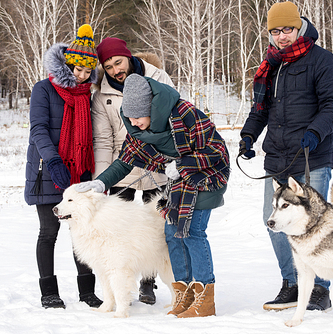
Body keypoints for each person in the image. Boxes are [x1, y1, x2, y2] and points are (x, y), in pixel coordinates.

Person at [76, 73, 230, 318]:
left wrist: (183, 164)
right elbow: (124, 162)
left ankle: (205, 298)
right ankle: (184, 294)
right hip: (179, 182)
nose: (134, 122)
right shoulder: (137, 131)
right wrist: (100, 183)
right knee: (172, 234)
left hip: (207, 175)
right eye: (130, 117)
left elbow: (216, 149)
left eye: (138, 116)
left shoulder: (184, 113)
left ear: (151, 108)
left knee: (192, 232)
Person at [238, 1, 333, 312]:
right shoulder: (271, 64)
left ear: (298, 27)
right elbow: (260, 110)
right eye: (275, 31)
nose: (282, 36)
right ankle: (292, 282)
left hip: (312, 155)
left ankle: (319, 289)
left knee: (313, 223)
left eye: (287, 29)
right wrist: (248, 136)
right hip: (278, 159)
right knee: (272, 219)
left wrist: (316, 132)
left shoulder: (321, 59)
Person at [24, 24, 102, 309]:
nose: (82, 75)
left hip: (79, 171)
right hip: (47, 170)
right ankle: (49, 292)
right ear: (67, 63)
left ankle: (87, 292)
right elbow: (39, 129)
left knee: (81, 231)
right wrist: (53, 159)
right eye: (77, 69)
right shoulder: (43, 89)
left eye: (87, 71)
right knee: (49, 232)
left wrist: (88, 172)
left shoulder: (87, 95)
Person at [91, 37, 174, 304]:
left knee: (153, 228)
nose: (116, 69)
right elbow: (103, 140)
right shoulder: (101, 94)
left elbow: (172, 120)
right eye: (109, 65)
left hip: (155, 165)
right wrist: (102, 182)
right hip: (122, 166)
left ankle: (148, 283)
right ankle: (120, 284)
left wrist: (168, 161)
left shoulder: (158, 78)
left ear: (128, 57)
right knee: (120, 230)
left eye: (119, 62)